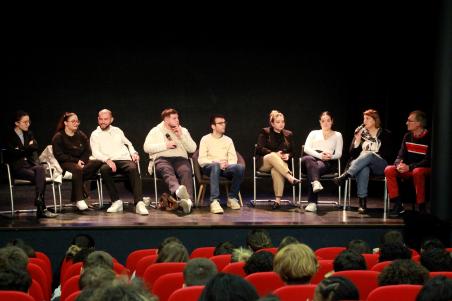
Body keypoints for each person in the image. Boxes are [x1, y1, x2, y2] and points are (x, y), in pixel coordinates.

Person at [90, 109, 148, 215]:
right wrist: (107, 160)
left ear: (111, 120)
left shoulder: (117, 130)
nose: (103, 121)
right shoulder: (95, 134)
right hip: (109, 161)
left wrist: (133, 153)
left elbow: (129, 143)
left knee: (133, 167)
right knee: (104, 170)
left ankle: (139, 202)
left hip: (124, 159)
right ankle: (116, 201)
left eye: (106, 119)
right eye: (101, 119)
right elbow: (95, 152)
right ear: (98, 119)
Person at [334, 109, 393, 214]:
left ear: (375, 120)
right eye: (364, 118)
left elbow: (388, 153)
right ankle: (362, 204)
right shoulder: (361, 133)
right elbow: (352, 153)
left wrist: (372, 154)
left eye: (367, 118)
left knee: (369, 154)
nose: (364, 121)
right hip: (360, 165)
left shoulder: (385, 133)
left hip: (379, 164)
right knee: (364, 169)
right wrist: (357, 140)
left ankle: (346, 175)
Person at [2, 110, 57, 218]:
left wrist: (22, 150)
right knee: (41, 178)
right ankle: (41, 209)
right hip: (17, 168)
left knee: (40, 170)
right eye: (25, 122)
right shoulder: (9, 136)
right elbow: (12, 153)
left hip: (30, 165)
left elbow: (35, 146)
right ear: (17, 123)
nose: (28, 124)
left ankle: (39, 199)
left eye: (29, 122)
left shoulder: (29, 133)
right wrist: (26, 148)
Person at [143, 108, 196, 214]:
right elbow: (146, 147)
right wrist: (165, 145)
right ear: (166, 119)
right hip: (162, 159)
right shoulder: (156, 131)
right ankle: (178, 191)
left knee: (185, 170)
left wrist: (181, 136)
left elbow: (193, 149)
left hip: (180, 159)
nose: (177, 120)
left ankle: (188, 202)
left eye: (178, 118)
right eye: (174, 118)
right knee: (166, 170)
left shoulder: (183, 130)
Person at [52, 112, 103, 211]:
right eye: (73, 121)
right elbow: (59, 156)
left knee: (98, 162)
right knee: (77, 169)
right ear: (66, 123)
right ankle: (79, 199)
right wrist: (76, 161)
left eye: (77, 121)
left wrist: (82, 161)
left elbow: (87, 150)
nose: (76, 123)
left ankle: (77, 178)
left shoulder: (80, 134)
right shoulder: (58, 137)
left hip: (80, 163)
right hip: (65, 163)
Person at [385, 110, 431, 216]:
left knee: (417, 172)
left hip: (424, 169)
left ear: (418, 123)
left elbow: (428, 160)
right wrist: (398, 165)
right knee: (389, 169)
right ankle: (398, 205)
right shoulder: (407, 136)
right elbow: (400, 155)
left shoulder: (429, 137)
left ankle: (421, 208)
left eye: (409, 121)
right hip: (409, 169)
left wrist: (409, 167)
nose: (406, 123)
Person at [198, 114, 245, 214]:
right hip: (210, 167)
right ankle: (214, 201)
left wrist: (227, 164)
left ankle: (232, 198)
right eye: (220, 123)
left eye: (224, 123)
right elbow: (201, 159)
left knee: (239, 168)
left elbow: (233, 158)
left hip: (225, 168)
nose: (223, 125)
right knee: (215, 166)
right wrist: (216, 162)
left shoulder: (228, 140)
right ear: (213, 126)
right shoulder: (205, 139)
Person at [255, 110, 300, 210]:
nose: (281, 124)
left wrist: (288, 156)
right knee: (272, 155)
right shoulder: (265, 132)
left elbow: (293, 152)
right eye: (278, 122)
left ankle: (277, 201)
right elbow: (259, 148)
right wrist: (275, 154)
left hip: (280, 166)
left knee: (276, 170)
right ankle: (289, 177)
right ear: (272, 123)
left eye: (282, 121)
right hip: (264, 162)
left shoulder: (288, 134)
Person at [300, 111, 343, 213]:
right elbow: (306, 148)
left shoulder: (337, 135)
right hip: (310, 159)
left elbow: (339, 153)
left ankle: (312, 203)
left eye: (328, 120)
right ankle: (316, 182)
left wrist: (331, 156)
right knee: (308, 159)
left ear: (332, 121)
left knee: (315, 169)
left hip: (326, 162)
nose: (326, 123)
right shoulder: (313, 133)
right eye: (323, 121)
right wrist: (319, 155)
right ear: (320, 122)